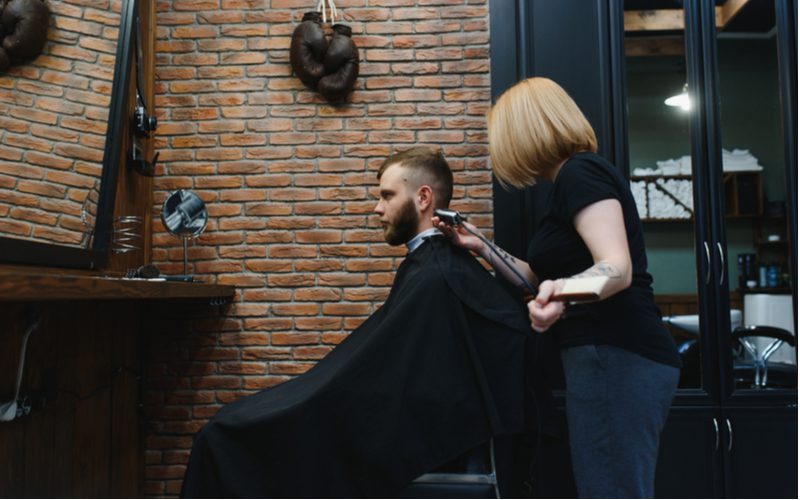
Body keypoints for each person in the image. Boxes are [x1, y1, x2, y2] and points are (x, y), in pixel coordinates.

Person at [180, 147, 553, 498]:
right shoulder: (433, 268)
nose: (377, 208)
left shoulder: (438, 274)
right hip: (362, 404)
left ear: (423, 199)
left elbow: (501, 333)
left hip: (374, 418)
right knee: (231, 428)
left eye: (387, 196)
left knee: (220, 438)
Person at [435, 77, 681, 498]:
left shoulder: (581, 174)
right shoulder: (570, 181)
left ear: (525, 130)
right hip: (606, 358)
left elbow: (615, 268)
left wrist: (556, 293)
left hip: (617, 354)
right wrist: (480, 245)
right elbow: (535, 275)